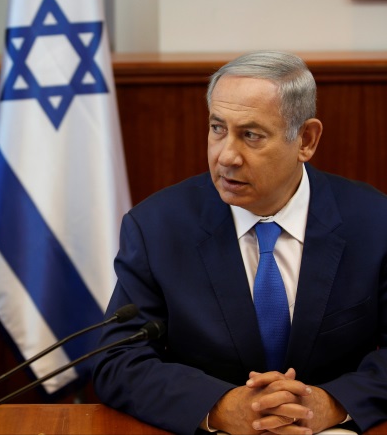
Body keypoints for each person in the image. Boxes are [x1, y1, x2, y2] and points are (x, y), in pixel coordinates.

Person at [92, 51, 387, 435]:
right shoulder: (158, 227)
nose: (226, 156)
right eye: (218, 128)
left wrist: (331, 403)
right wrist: (218, 407)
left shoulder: (374, 223)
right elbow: (117, 360)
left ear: (306, 140)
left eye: (251, 135)